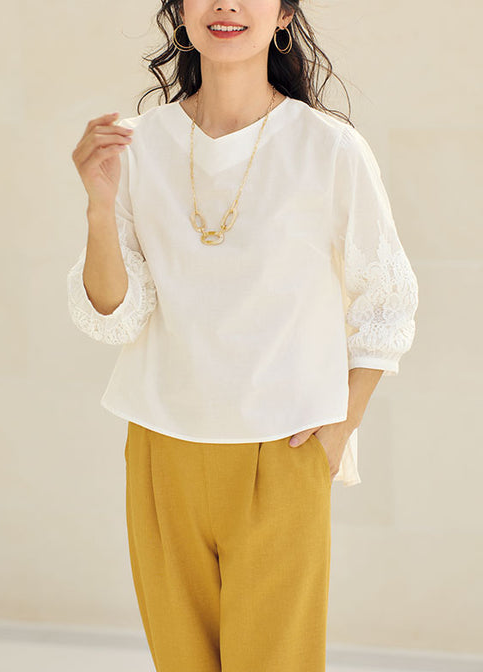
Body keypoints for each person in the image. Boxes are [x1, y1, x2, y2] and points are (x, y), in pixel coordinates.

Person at [67, 1, 419, 670]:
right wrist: (99, 206)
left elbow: (388, 300)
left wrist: (338, 429)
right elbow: (116, 313)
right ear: (180, 10)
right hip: (161, 449)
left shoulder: (329, 148)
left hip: (282, 451)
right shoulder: (136, 146)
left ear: (283, 14)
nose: (226, 4)